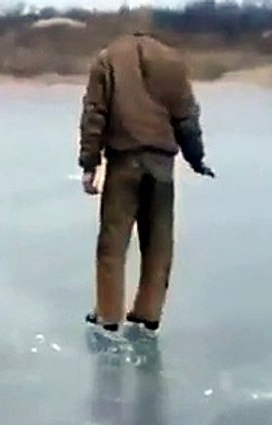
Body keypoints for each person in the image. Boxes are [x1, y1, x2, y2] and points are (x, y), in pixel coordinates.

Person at [78, 16, 215, 335]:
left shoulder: (107, 59)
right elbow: (186, 117)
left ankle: (108, 314)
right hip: (161, 164)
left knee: (112, 243)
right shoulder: (173, 61)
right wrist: (196, 158)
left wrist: (90, 163)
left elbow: (94, 114)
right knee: (158, 242)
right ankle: (148, 312)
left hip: (124, 161)